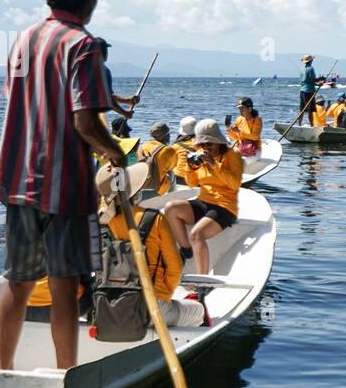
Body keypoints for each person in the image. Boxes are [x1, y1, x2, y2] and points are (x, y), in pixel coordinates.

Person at [0, 0, 125, 371]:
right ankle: (66, 375)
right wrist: (113, 151)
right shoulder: (82, 45)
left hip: (16, 178)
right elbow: (85, 121)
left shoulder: (24, 38)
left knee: (18, 282)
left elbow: (20, 99)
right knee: (65, 287)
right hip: (62, 184)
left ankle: (4, 370)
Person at [97, 164, 207, 327]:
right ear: (133, 191)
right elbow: (175, 269)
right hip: (150, 308)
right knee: (199, 311)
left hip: (107, 307)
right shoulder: (153, 219)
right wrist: (163, 295)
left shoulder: (97, 223)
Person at [163, 119, 243, 276]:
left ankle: (202, 281)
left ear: (219, 143)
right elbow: (192, 183)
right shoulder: (200, 157)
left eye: (210, 144)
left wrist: (213, 165)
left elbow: (234, 184)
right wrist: (190, 166)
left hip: (224, 206)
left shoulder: (232, 156)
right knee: (170, 207)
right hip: (204, 201)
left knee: (196, 234)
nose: (206, 148)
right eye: (203, 144)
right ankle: (186, 250)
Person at [298, 54, 320, 123]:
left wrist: (317, 82)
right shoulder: (311, 68)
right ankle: (311, 125)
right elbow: (312, 80)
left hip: (302, 91)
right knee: (310, 110)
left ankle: (299, 124)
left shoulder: (302, 69)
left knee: (302, 109)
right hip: (309, 91)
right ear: (311, 61)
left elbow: (305, 80)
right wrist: (319, 83)